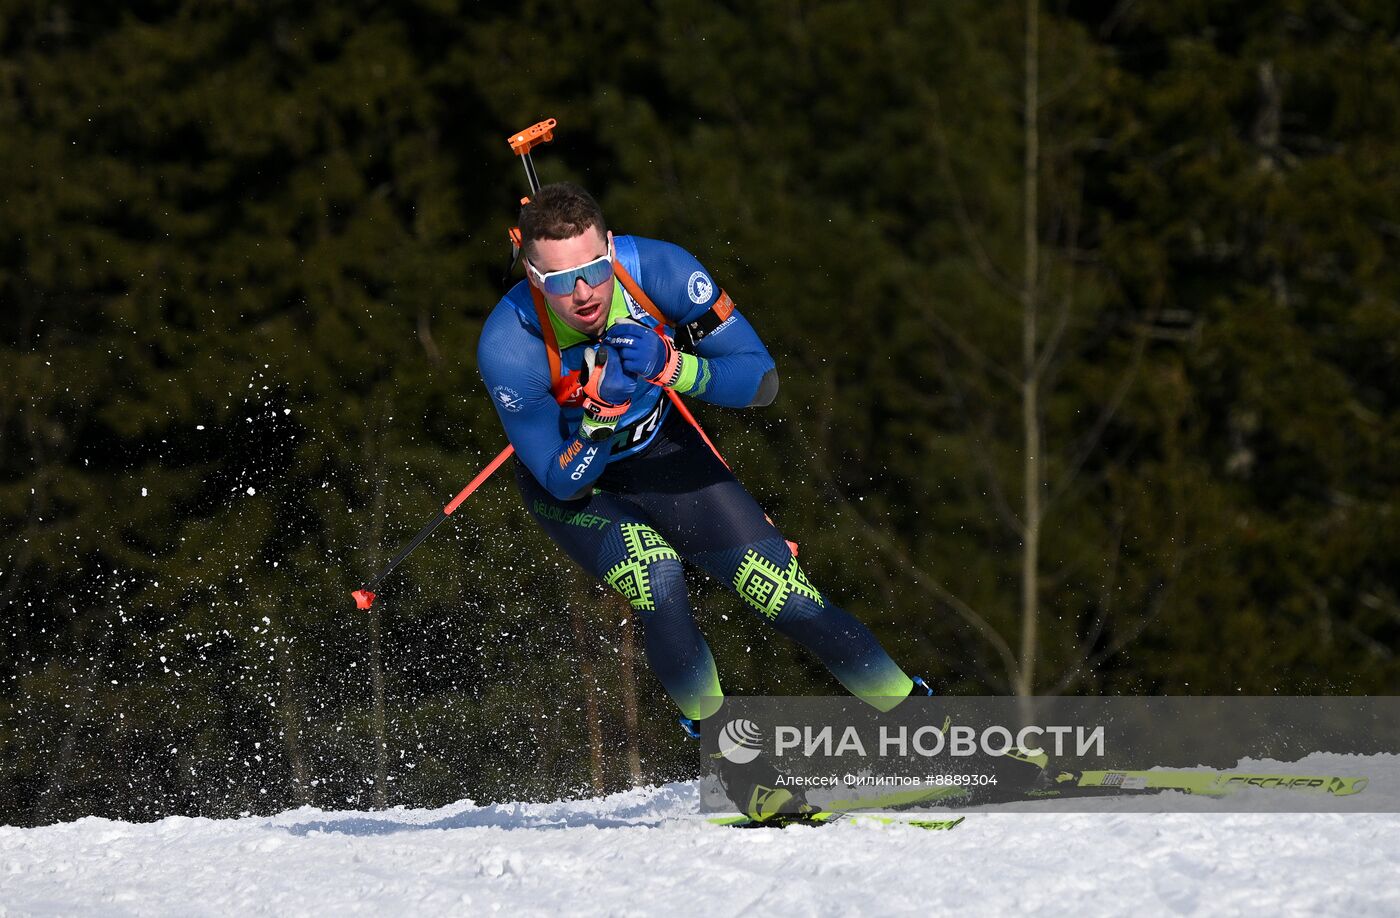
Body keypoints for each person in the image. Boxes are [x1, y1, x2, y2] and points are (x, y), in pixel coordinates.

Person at [477, 183, 928, 819]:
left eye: (593, 270)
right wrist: (602, 417)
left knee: (786, 592)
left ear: (610, 249)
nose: (583, 294)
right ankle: (738, 768)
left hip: (665, 456)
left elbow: (762, 379)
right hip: (581, 486)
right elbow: (560, 479)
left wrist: (672, 365)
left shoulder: (660, 271)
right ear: (531, 273)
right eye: (560, 281)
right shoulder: (509, 343)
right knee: (655, 575)